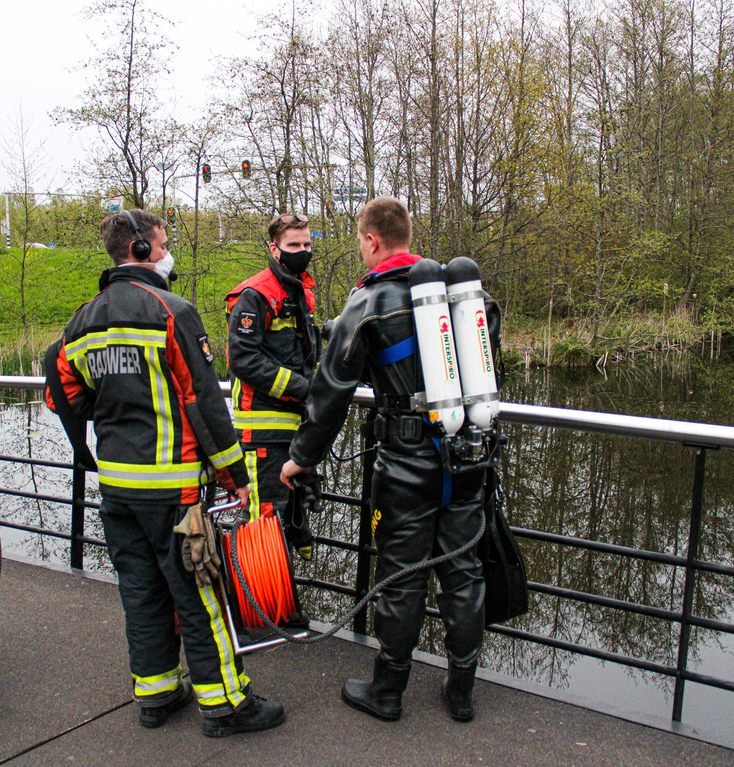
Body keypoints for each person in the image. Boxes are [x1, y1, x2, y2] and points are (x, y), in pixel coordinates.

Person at [45, 209, 285, 737]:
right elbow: (203, 400)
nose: (167, 250)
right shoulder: (170, 311)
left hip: (116, 489)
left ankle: (154, 696)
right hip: (173, 492)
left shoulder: (82, 322)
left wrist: (98, 424)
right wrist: (235, 477)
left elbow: (59, 391)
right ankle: (225, 706)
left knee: (141, 592)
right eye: (164, 243)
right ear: (140, 250)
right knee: (200, 594)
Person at [281, 196, 501, 723]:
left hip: (406, 461)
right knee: (464, 572)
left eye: (360, 242)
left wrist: (300, 459)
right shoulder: (467, 297)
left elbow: (330, 392)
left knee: (400, 577)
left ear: (372, 241)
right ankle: (461, 692)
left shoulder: (369, 303)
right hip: (468, 456)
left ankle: (388, 692)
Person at [224, 213, 321, 559]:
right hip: (262, 435)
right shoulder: (256, 295)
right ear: (274, 248)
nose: (303, 250)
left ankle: (287, 608)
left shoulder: (302, 292)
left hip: (296, 432)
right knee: (262, 528)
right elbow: (243, 360)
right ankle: (259, 611)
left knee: (295, 520)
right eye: (294, 245)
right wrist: (304, 388)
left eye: (307, 244)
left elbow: (304, 356)